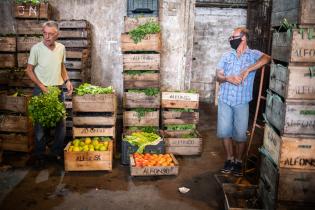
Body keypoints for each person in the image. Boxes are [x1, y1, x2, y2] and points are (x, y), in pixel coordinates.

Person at [216, 27, 270, 176]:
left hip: (242, 101)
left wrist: (249, 70)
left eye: (234, 37)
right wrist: (227, 78)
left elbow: (267, 58)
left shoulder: (253, 55)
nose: (231, 39)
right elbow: (218, 75)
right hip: (225, 99)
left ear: (244, 37)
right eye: (231, 37)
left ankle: (239, 161)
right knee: (224, 132)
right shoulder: (227, 56)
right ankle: (229, 159)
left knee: (240, 134)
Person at [26, 20, 73, 168]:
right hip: (41, 90)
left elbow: (61, 67)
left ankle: (56, 152)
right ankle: (39, 155)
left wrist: (67, 81)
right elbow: (28, 70)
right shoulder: (36, 49)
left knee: (61, 123)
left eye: (50, 34)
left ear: (57, 35)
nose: (47, 37)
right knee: (40, 124)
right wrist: (41, 86)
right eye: (44, 33)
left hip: (57, 89)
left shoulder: (61, 48)